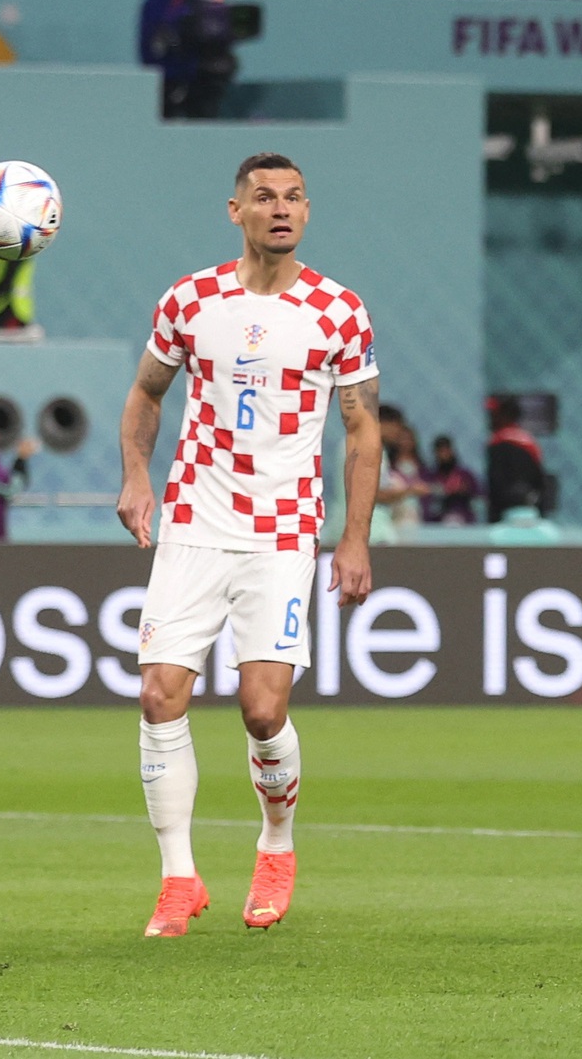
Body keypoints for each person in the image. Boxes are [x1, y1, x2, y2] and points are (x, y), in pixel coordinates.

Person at [115, 152, 381, 938]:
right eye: (264, 196)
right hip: (195, 522)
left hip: (281, 531)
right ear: (235, 210)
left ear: (307, 210)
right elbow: (145, 394)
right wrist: (137, 476)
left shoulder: (338, 311)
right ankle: (178, 879)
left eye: (295, 196)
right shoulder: (191, 300)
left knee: (263, 709)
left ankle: (276, 843)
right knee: (160, 692)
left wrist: (354, 539)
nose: (281, 208)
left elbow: (362, 430)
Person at [485, 396, 547, 522]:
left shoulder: (499, 444)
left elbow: (496, 486)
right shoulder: (530, 443)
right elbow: (540, 484)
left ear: (505, 415)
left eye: (494, 414)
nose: (490, 418)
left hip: (506, 517)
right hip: (531, 514)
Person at [372, 404, 425, 541]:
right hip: (372, 533)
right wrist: (409, 490)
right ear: (385, 424)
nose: (398, 433)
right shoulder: (370, 450)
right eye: (397, 427)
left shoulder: (376, 450)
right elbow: (374, 494)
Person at [419, 434, 479, 524]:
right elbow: (425, 502)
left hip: (464, 522)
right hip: (437, 524)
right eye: (441, 451)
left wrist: (464, 491)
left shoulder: (465, 475)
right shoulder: (430, 477)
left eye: (447, 450)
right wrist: (439, 490)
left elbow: (479, 497)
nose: (444, 455)